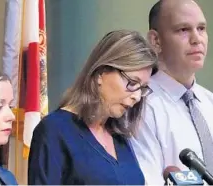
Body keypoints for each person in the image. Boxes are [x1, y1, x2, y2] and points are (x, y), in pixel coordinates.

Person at [28, 29, 157, 185]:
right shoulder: (54, 130)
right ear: (100, 74)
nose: (137, 96)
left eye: (142, 88)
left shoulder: (119, 134)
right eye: (132, 83)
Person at [130, 0, 213, 184]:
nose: (197, 39)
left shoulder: (209, 102)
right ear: (156, 40)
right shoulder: (140, 107)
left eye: (201, 28)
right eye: (183, 29)